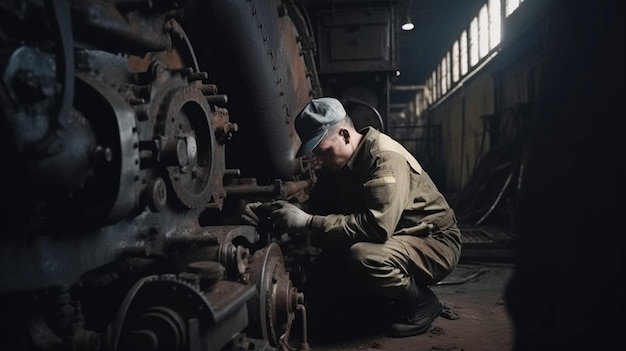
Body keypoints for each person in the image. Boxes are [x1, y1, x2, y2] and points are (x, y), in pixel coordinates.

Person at [243, 97, 462, 338]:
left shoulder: (383, 158)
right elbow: (318, 205)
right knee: (325, 275)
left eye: (323, 151)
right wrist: (275, 210)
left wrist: (306, 222)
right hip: (399, 237)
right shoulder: (338, 163)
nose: (319, 160)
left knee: (364, 258)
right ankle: (380, 298)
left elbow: (377, 228)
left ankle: (421, 302)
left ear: (345, 135)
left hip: (434, 241)